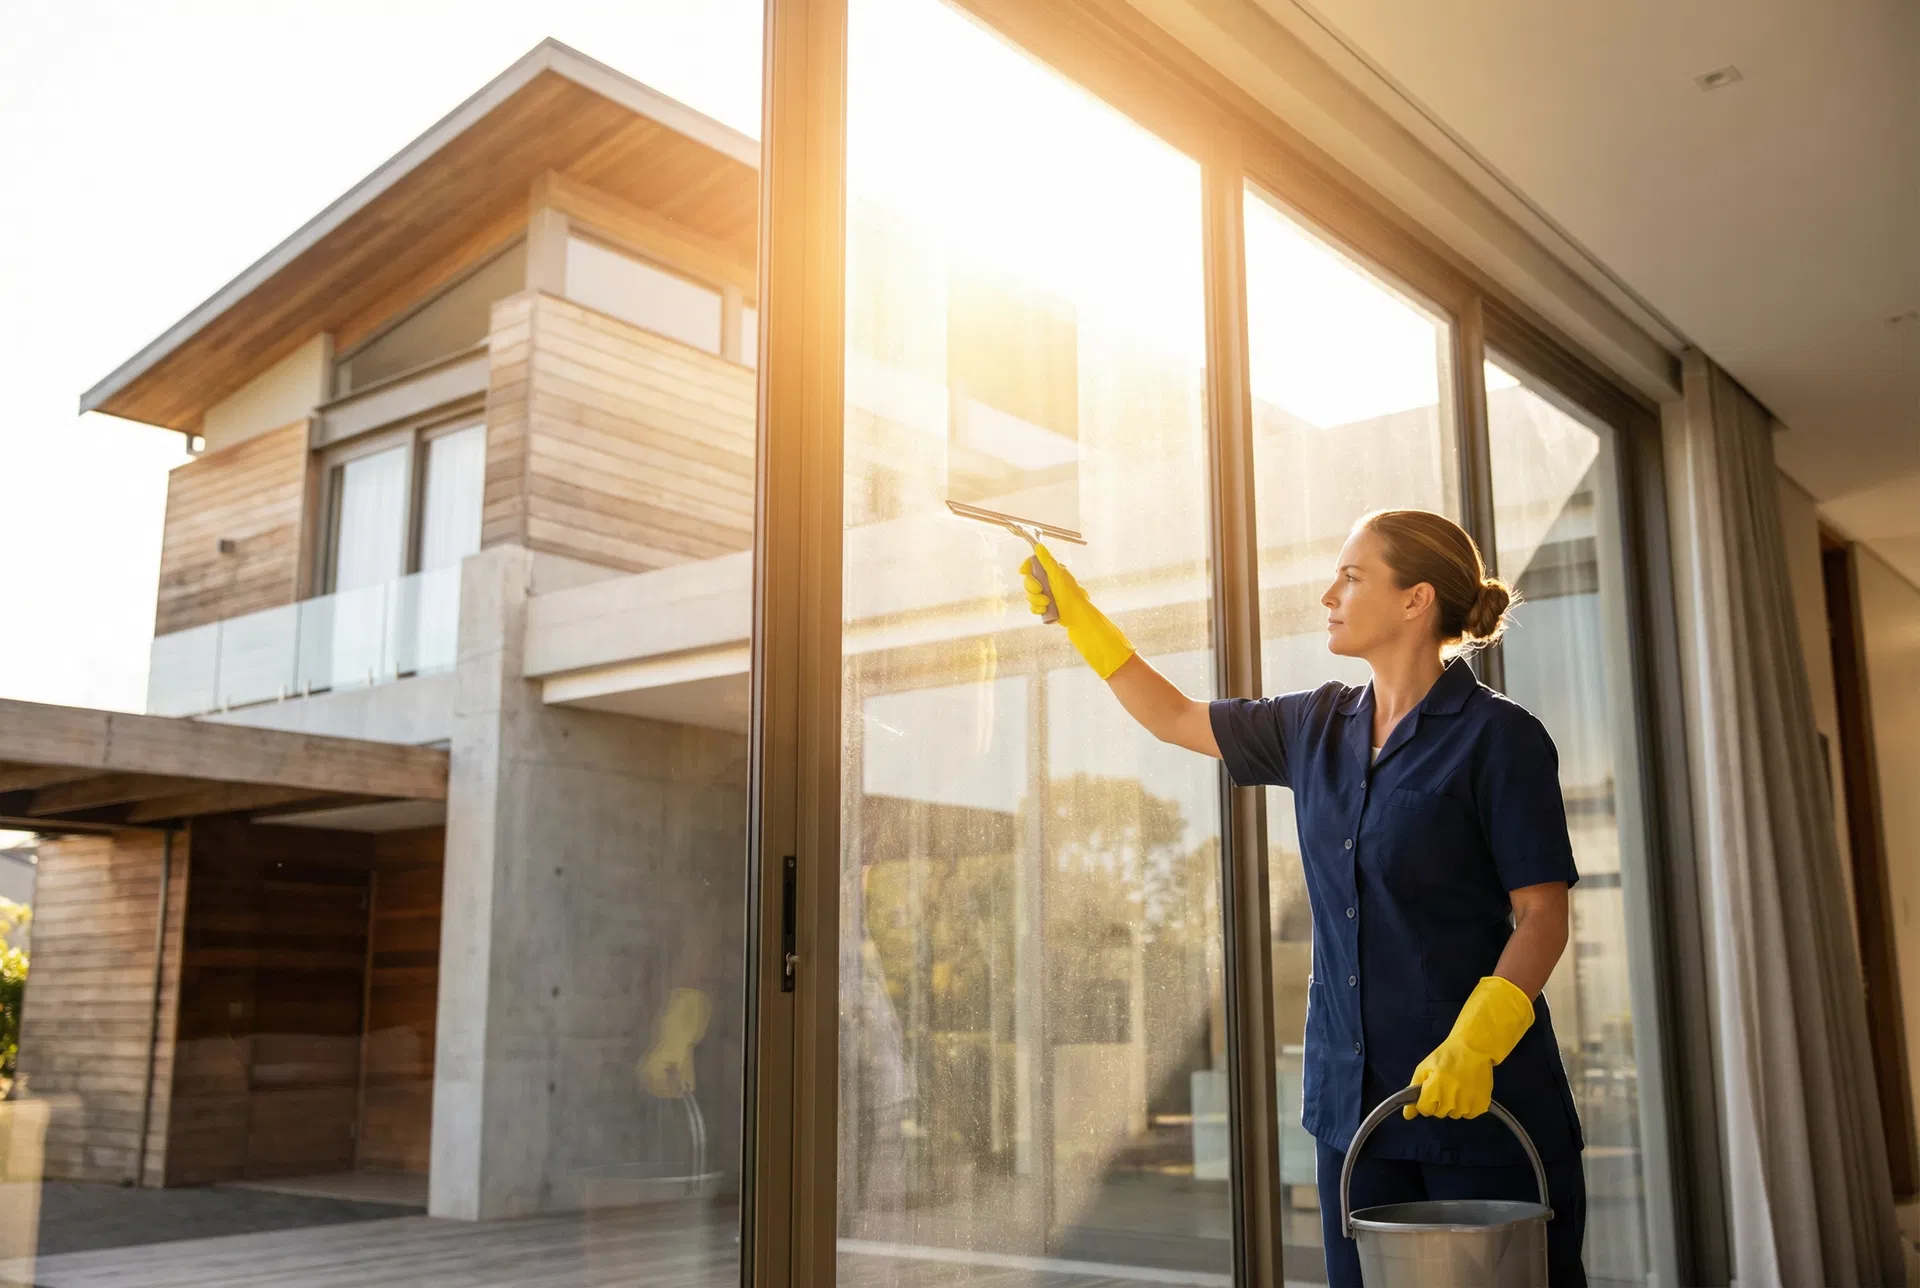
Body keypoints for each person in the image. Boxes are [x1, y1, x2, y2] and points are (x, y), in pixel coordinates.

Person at [1020, 508, 1586, 1287]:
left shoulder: (1499, 737)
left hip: (1480, 1107)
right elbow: (1177, 718)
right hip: (1353, 1116)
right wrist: (1079, 616)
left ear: (1416, 599)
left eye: (1351, 577)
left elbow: (1543, 913)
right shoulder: (1316, 723)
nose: (1329, 593)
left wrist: (1474, 1044)